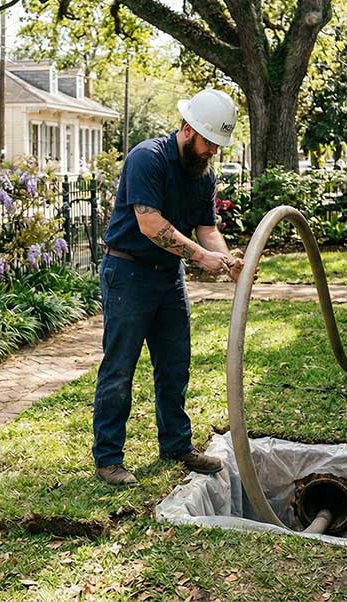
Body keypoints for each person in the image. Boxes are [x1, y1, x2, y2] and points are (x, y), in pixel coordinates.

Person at [92, 88, 245, 487]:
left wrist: (227, 260)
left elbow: (207, 230)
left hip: (167, 277)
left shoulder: (203, 176)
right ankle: (109, 458)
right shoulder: (148, 158)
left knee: (175, 365)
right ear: (188, 128)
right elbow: (150, 224)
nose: (213, 151)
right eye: (209, 142)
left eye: (218, 144)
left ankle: (176, 445)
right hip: (127, 273)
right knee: (119, 368)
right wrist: (199, 258)